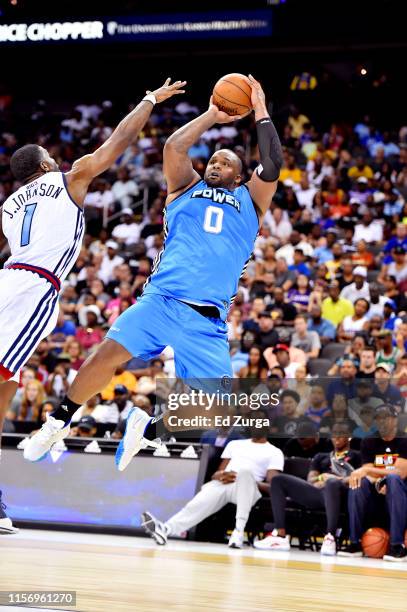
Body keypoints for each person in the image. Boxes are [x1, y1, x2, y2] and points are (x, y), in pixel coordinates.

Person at [25, 75, 284, 470]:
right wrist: (212, 115)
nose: (216, 163)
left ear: (239, 175)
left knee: (219, 411)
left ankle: (147, 431)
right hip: (162, 299)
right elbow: (174, 145)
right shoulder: (185, 186)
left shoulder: (252, 201)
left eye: (226, 162)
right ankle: (59, 420)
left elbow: (274, 162)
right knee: (104, 356)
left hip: (207, 319)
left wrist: (260, 110)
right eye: (213, 159)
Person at [0, 77, 185, 424]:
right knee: (3, 378)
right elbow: (120, 141)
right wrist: (149, 100)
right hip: (33, 286)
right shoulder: (69, 178)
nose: (55, 161)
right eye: (50, 158)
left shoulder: (7, 206)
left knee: (7, 384)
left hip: (7, 277)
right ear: (43, 167)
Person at [141, 417, 284, 549]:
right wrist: (222, 475)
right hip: (225, 483)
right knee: (198, 502)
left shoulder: (274, 452)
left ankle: (238, 533)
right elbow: (216, 474)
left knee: (245, 473)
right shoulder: (235, 444)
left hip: (249, 488)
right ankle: (166, 529)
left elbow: (274, 486)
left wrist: (247, 478)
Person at [254, 423, 361, 555]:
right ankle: (280, 535)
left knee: (332, 483)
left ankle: (330, 538)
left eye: (341, 434)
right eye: (334, 434)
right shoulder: (321, 457)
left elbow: (356, 478)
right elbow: (311, 480)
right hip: (318, 494)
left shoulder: (357, 456)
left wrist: (333, 479)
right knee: (278, 480)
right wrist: (322, 478)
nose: (336, 437)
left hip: (342, 496)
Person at [339, 405, 407, 561]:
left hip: (401, 493)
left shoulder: (404, 441)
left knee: (393, 479)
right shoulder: (369, 441)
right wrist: (378, 481)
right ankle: (355, 543)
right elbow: (367, 472)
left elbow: (400, 473)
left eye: (386, 418)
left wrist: (380, 477)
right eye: (378, 418)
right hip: (378, 490)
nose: (382, 422)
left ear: (395, 420)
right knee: (358, 481)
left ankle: (397, 546)